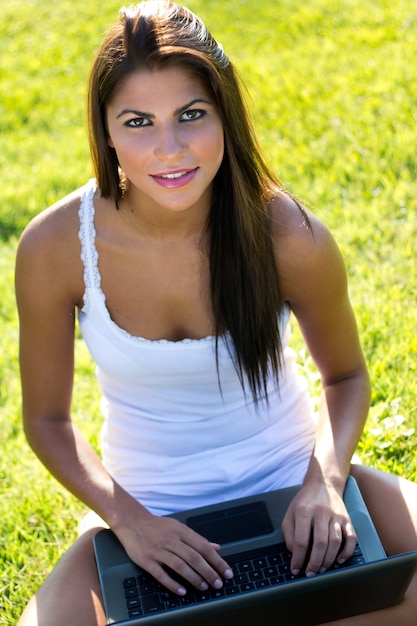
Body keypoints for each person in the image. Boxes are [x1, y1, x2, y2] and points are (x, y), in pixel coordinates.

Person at [15, 1, 417, 624]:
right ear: (105, 131)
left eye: (191, 115)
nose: (168, 149)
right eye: (139, 122)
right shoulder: (56, 247)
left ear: (225, 115)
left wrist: (325, 484)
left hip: (293, 485)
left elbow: (346, 378)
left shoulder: (288, 233)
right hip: (147, 513)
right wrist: (130, 522)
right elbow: (46, 420)